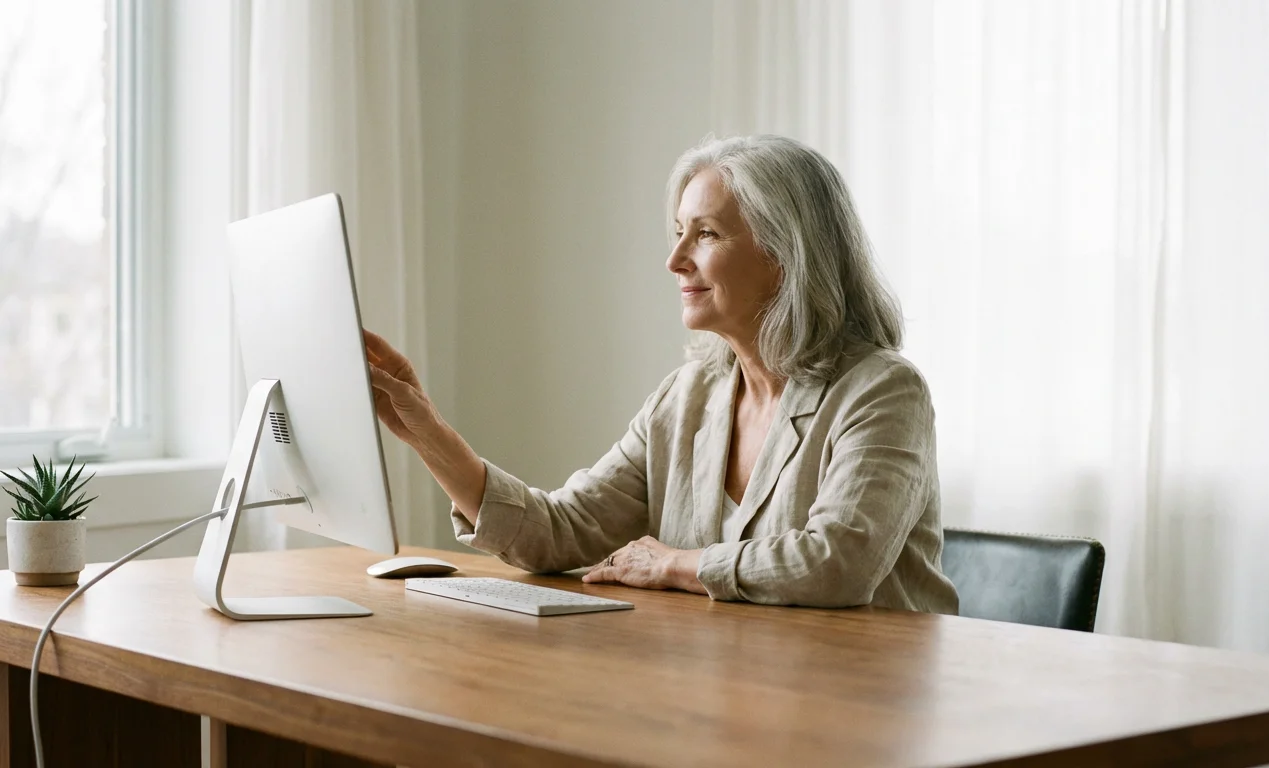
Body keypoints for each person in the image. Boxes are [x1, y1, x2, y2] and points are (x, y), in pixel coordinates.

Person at [366, 135, 958, 612]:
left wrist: (672, 563)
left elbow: (837, 566)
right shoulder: (689, 396)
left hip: (863, 709)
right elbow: (560, 531)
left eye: (705, 234)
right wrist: (427, 432)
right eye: (679, 232)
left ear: (786, 256)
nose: (675, 261)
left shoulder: (881, 392)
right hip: (729, 689)